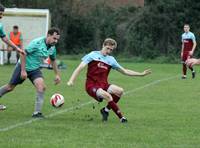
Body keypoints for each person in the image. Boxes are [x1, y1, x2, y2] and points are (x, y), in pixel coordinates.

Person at [67, 38, 151, 123]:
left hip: (103, 85)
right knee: (108, 96)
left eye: (111, 50)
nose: (109, 51)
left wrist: (141, 74)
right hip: (91, 85)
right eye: (107, 48)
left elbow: (125, 71)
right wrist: (71, 80)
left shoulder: (111, 60)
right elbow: (80, 67)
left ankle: (105, 110)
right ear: (103, 45)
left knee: (120, 91)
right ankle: (122, 118)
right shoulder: (92, 55)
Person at [0, 27, 61, 118]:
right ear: (48, 35)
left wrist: (57, 74)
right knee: (10, 87)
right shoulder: (37, 43)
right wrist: (23, 71)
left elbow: (53, 60)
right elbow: (23, 53)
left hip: (35, 69)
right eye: (54, 38)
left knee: (41, 87)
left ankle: (37, 113)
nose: (56, 41)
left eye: (57, 39)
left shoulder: (52, 48)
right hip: (22, 66)